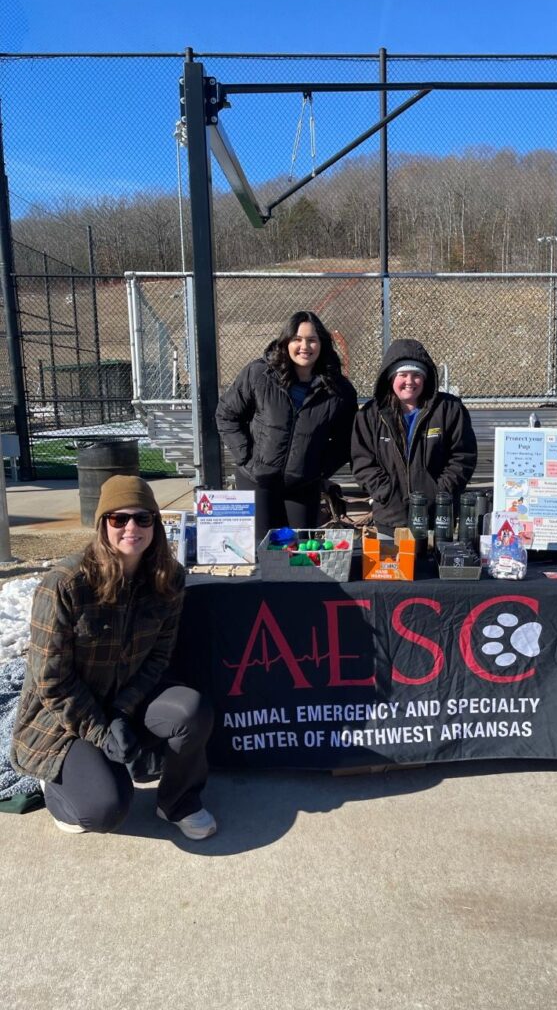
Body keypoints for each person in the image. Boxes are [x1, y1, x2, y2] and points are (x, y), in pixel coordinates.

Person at [11, 475, 216, 840]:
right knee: (103, 811)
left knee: (191, 710)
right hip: (67, 716)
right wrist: (100, 729)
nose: (131, 527)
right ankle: (55, 785)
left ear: (156, 522)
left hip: (126, 700)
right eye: (118, 519)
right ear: (102, 524)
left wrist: (122, 711)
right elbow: (51, 681)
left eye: (143, 518)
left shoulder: (169, 579)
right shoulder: (65, 584)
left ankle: (177, 802)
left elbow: (158, 658)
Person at [216, 311, 358, 541]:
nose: (305, 346)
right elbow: (226, 414)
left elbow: (347, 439)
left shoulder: (339, 390)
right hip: (257, 481)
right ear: (286, 342)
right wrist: (246, 457)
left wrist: (318, 470)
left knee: (300, 552)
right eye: (297, 339)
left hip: (302, 487)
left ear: (322, 344)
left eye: (312, 340)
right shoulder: (259, 374)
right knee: (262, 552)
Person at [351, 339, 477, 536]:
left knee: (430, 566)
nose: (410, 381)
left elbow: (463, 456)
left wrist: (440, 492)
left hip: (437, 517)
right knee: (393, 567)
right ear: (391, 377)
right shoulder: (369, 415)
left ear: (425, 379)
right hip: (390, 516)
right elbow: (362, 462)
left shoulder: (449, 410)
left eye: (416, 375)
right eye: (403, 375)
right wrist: (385, 491)